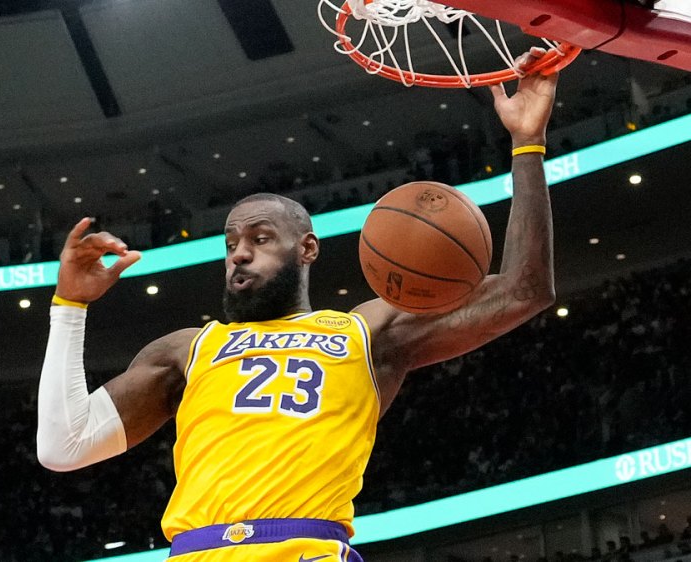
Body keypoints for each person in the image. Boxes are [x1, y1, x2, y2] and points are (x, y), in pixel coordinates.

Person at [37, 48, 558, 561]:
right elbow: (65, 446)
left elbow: (523, 289)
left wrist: (527, 144)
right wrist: (69, 306)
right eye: (231, 243)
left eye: (260, 238)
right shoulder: (185, 351)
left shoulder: (365, 332)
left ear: (307, 249)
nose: (239, 252)